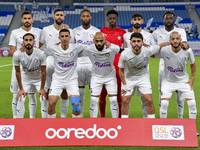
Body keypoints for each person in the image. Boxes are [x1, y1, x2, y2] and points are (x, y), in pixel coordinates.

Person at [118, 32, 169, 118]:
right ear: (130, 43)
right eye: (134, 41)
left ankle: (151, 122)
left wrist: (173, 43)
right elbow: (121, 70)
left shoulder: (148, 50)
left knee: (148, 100)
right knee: (125, 101)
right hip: (129, 78)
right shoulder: (125, 54)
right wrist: (125, 84)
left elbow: (161, 45)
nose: (136, 43)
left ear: (142, 42)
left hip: (143, 78)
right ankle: (124, 123)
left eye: (138, 41)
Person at [152, 11, 189, 119]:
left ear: (174, 20)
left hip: (179, 64)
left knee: (180, 93)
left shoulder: (180, 31)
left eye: (171, 18)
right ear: (163, 21)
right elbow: (149, 41)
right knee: (162, 91)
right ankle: (161, 119)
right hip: (163, 65)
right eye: (166, 18)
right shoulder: (157, 32)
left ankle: (180, 118)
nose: (168, 20)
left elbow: (184, 45)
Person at [40, 9, 74, 118]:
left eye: (61, 15)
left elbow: (72, 47)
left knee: (64, 92)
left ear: (63, 18)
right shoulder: (46, 30)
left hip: (63, 64)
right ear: (53, 17)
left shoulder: (69, 31)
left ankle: (62, 118)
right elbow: (39, 45)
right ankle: (46, 117)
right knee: (47, 91)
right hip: (49, 63)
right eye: (57, 15)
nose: (59, 17)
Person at [9, 11, 43, 118]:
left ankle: (31, 119)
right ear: (22, 20)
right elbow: (12, 51)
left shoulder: (39, 31)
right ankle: (16, 118)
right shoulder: (15, 32)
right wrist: (19, 53)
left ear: (32, 20)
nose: (27, 20)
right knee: (17, 94)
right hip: (19, 68)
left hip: (33, 69)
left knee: (32, 95)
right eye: (25, 18)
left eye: (29, 18)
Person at [155, 32, 197, 120]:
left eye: (177, 38)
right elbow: (151, 54)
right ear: (170, 41)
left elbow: (193, 64)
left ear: (181, 40)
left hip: (183, 81)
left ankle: (193, 130)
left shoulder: (187, 50)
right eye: (173, 39)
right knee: (164, 104)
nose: (175, 41)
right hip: (168, 81)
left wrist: (192, 78)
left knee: (192, 103)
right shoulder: (164, 50)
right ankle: (163, 127)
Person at [82, 32, 124, 118]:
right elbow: (74, 51)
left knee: (113, 100)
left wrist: (141, 49)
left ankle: (115, 123)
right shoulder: (88, 49)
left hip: (110, 77)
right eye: (97, 41)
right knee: (93, 100)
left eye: (101, 41)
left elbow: (124, 51)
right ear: (93, 41)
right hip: (96, 77)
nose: (99, 43)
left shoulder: (112, 48)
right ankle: (94, 122)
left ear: (105, 40)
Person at [123, 12, 156, 118]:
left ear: (142, 21)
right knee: (126, 100)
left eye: (139, 19)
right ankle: (124, 123)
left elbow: (153, 53)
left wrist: (144, 51)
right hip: (128, 73)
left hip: (143, 73)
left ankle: (147, 121)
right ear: (132, 21)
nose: (137, 21)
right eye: (135, 19)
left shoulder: (148, 35)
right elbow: (123, 51)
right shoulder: (125, 35)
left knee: (145, 99)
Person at [47, 29, 82, 118]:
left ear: (70, 37)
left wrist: (105, 43)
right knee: (51, 104)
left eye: (66, 36)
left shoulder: (76, 47)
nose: (64, 38)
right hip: (57, 80)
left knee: (76, 105)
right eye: (62, 36)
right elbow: (39, 52)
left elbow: (92, 48)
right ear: (59, 38)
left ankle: (76, 128)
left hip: (71, 80)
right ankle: (51, 127)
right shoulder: (53, 48)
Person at [73, 9, 100, 118]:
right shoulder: (74, 31)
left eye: (87, 16)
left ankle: (93, 120)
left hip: (92, 66)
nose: (85, 18)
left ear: (90, 17)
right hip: (78, 65)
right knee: (80, 95)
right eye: (83, 16)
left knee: (94, 96)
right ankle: (80, 119)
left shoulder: (97, 32)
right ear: (80, 17)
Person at [99, 10, 126, 118]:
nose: (112, 20)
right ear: (107, 20)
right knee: (103, 94)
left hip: (118, 67)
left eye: (114, 18)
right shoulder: (103, 31)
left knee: (118, 94)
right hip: (105, 67)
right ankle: (102, 117)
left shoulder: (122, 32)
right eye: (110, 18)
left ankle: (119, 117)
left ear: (117, 19)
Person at [13, 33, 47, 118]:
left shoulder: (40, 53)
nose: (28, 42)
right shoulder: (17, 54)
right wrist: (21, 88)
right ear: (23, 42)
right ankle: (19, 123)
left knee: (43, 99)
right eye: (26, 40)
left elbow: (43, 71)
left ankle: (46, 124)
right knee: (20, 99)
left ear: (34, 42)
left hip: (39, 79)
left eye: (30, 40)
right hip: (26, 79)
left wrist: (42, 88)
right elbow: (17, 72)